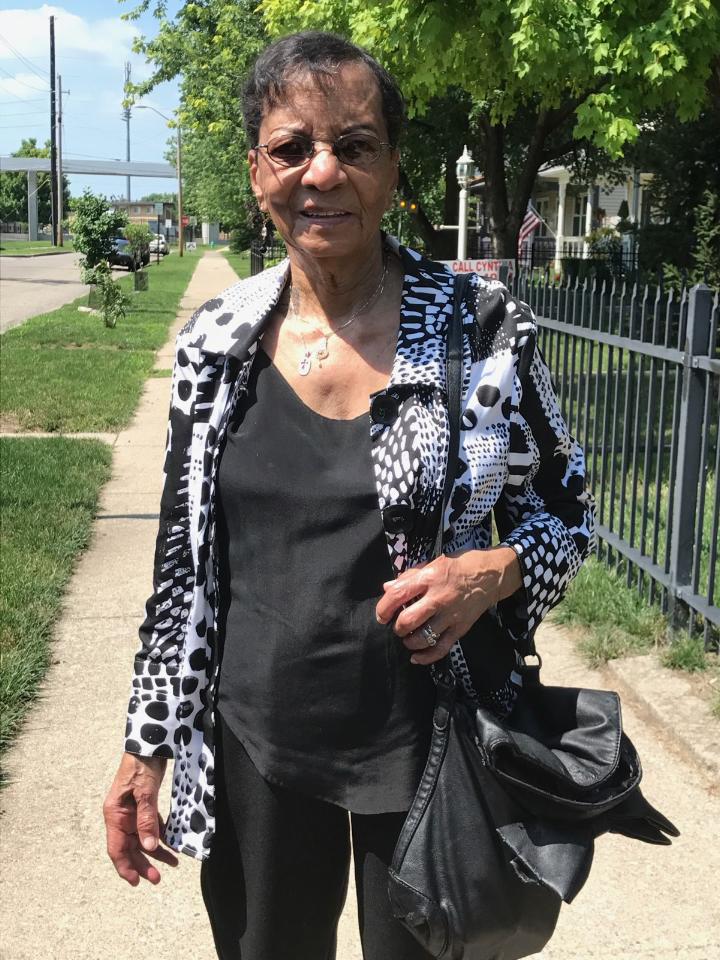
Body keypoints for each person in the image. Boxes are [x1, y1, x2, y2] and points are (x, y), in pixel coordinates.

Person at [103, 30, 595, 960]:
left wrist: (494, 571)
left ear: (392, 170)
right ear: (257, 174)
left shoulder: (479, 329)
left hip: (432, 748)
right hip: (257, 748)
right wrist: (146, 744)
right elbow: (181, 573)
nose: (322, 172)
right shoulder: (217, 344)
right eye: (293, 148)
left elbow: (567, 508)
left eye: (354, 146)